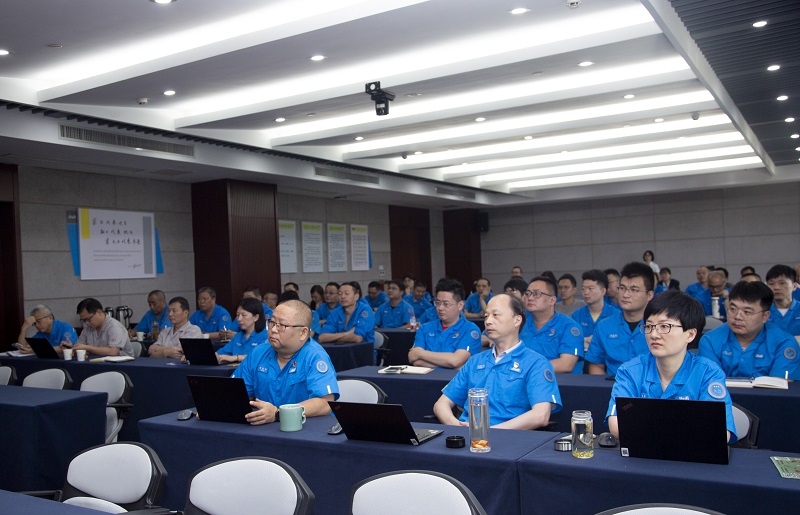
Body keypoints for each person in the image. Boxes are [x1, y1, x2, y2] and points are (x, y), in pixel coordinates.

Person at [605, 290, 736, 442]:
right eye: (649, 326)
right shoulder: (630, 371)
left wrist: (647, 427)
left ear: (690, 334)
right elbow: (617, 426)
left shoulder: (708, 373)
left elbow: (720, 432)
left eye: (664, 326)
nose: (654, 334)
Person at [433, 294, 562, 429]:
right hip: (467, 433)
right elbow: (441, 404)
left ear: (517, 320)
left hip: (508, 437)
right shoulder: (475, 361)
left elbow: (541, 415)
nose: (488, 321)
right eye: (486, 316)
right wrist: (455, 425)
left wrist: (487, 432)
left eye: (496, 315)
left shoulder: (536, 363)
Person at [231, 300, 339, 425]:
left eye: (282, 325)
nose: (273, 329)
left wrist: (278, 413)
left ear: (303, 333)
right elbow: (235, 392)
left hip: (307, 427)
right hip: (263, 427)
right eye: (272, 322)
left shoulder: (315, 356)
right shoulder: (258, 353)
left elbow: (325, 403)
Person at [699, 281, 800, 380]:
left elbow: (780, 386)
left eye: (747, 312)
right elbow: (710, 383)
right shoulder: (710, 340)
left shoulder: (784, 343)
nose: (738, 317)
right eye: (733, 309)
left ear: (765, 316)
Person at [586, 262, 654, 376]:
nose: (625, 295)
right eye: (622, 288)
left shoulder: (661, 328)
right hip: (612, 385)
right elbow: (596, 364)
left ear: (649, 295)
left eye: (634, 290)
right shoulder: (604, 326)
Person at [408, 278, 481, 369]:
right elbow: (415, 360)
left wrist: (420, 353)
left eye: (446, 304)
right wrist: (452, 366)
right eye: (438, 303)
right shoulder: (424, 328)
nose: (440, 308)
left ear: (460, 305)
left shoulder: (470, 330)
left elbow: (455, 360)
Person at [520, 276, 584, 373]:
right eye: (527, 293)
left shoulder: (568, 326)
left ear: (552, 300)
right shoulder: (520, 324)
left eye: (536, 294)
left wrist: (528, 369)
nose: (530, 298)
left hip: (559, 380)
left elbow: (566, 364)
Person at [572, 269, 618, 351]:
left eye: (590, 288)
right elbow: (571, 343)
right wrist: (582, 342)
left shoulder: (616, 315)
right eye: (583, 289)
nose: (586, 292)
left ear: (603, 291)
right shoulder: (577, 316)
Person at [69, 298, 134, 357]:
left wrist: (87, 347)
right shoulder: (87, 328)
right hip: (97, 362)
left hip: (122, 364)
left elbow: (113, 352)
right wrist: (72, 348)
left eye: (88, 319)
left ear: (99, 312)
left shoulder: (114, 327)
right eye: (83, 320)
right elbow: (80, 346)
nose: (87, 323)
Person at [216, 297, 269, 364]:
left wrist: (236, 358)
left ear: (256, 317)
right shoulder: (238, 336)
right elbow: (221, 353)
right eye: (237, 315)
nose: (239, 319)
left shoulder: (266, 336)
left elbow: (261, 357)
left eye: (244, 315)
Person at [765, 264, 800, 336]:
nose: (776, 287)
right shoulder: (762, 311)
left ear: (794, 286)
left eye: (782, 283)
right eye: (771, 284)